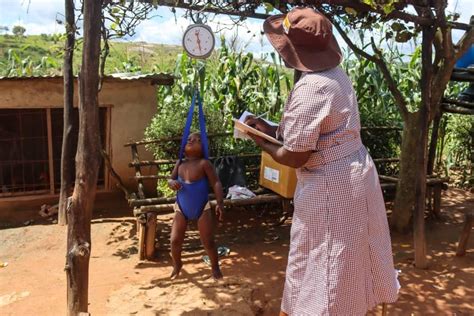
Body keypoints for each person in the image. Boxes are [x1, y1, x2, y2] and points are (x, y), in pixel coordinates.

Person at [245, 7, 399, 315]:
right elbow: (316, 131)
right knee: (342, 258)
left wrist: (261, 142)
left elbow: (296, 154)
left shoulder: (312, 88)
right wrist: (272, 128)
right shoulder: (334, 76)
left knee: (325, 261)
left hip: (332, 186)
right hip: (351, 173)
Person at [168, 132, 224, 280]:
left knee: (208, 241)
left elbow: (216, 182)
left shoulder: (204, 164)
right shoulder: (180, 164)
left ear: (204, 148)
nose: (192, 141)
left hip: (201, 208)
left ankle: (215, 267)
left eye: (197, 140)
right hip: (181, 207)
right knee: (174, 240)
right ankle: (177, 264)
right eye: (189, 139)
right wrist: (172, 183)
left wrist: (219, 202)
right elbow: (170, 180)